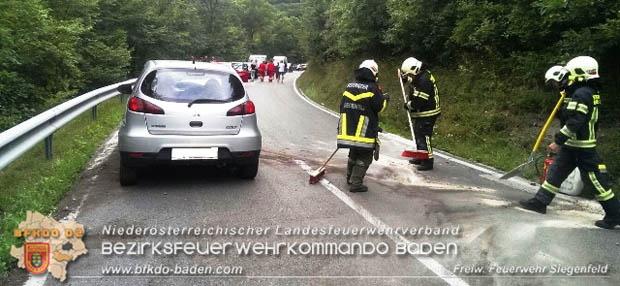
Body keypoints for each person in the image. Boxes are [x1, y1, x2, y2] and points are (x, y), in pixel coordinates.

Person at [519, 56, 620, 229]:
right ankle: (540, 202)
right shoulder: (585, 92)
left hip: (582, 147)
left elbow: (575, 122)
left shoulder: (582, 94)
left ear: (580, 73)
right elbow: (569, 117)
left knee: (596, 182)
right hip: (572, 146)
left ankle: (615, 214)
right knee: (556, 173)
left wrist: (558, 141)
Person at [338, 60, 388, 193]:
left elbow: (342, 105)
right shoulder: (373, 88)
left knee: (354, 152)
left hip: (347, 129)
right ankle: (356, 183)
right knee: (365, 156)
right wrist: (384, 99)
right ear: (374, 72)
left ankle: (349, 177)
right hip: (364, 132)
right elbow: (378, 108)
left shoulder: (350, 85)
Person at [400, 57, 440, 171]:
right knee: (418, 133)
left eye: (410, 74)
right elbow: (414, 81)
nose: (410, 77)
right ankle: (420, 156)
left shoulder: (425, 80)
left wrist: (409, 105)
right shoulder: (421, 75)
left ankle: (427, 161)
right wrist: (405, 79)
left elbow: (419, 101)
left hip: (428, 112)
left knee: (424, 136)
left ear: (415, 70)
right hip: (423, 112)